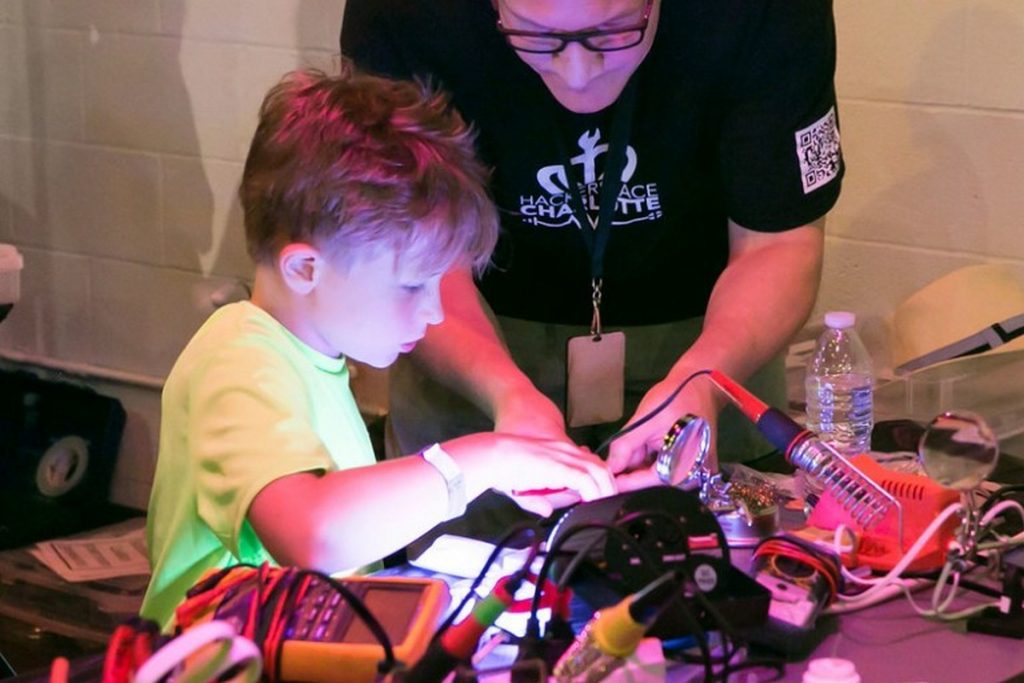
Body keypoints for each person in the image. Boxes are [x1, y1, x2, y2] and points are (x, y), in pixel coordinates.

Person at [140, 67, 616, 631]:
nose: (436, 312)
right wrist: (485, 459)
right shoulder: (239, 358)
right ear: (305, 268)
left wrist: (493, 474)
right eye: (413, 284)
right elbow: (311, 534)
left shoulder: (312, 359)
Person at [340, 0, 843, 493]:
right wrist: (504, 392)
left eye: (612, 33)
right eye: (536, 37)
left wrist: (703, 379)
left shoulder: (770, 10)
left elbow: (778, 242)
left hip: (709, 333)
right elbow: (407, 256)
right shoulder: (401, 10)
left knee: (727, 560)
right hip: (464, 329)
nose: (577, 73)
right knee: (466, 561)